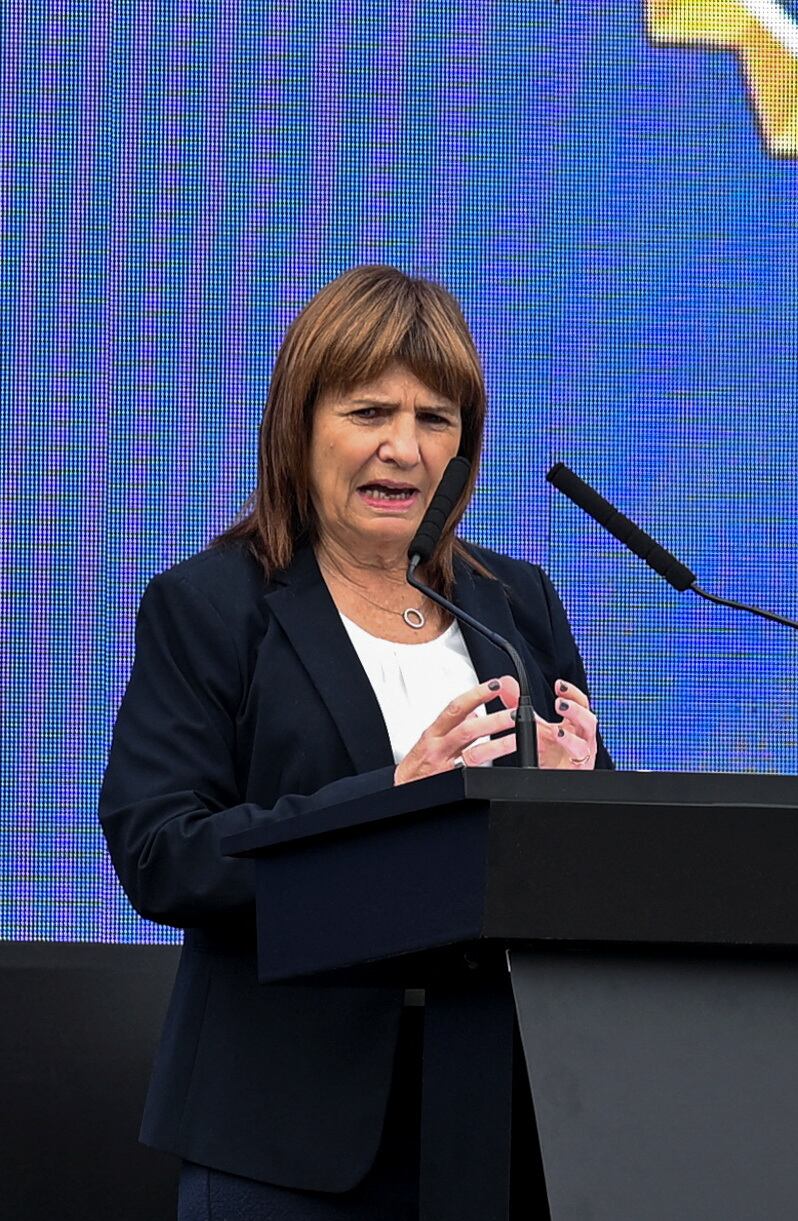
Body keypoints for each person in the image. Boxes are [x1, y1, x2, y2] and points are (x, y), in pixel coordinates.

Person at [100, 265, 609, 1218]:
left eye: (435, 419)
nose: (403, 449)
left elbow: (583, 873)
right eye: (369, 411)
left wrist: (585, 795)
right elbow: (161, 852)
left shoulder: (514, 603)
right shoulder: (211, 606)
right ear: (300, 426)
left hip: (509, 1122)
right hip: (287, 1133)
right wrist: (392, 799)